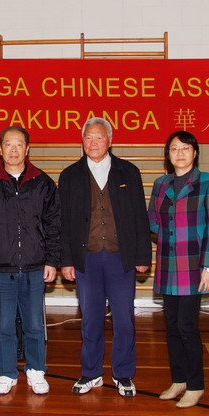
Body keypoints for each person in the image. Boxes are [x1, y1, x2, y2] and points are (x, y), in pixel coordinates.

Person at [59, 117, 152, 397]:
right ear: (82, 141)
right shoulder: (70, 175)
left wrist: (142, 255)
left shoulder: (129, 172)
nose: (93, 142)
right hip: (86, 259)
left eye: (99, 137)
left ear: (110, 141)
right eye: (88, 137)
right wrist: (66, 260)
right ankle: (91, 373)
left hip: (120, 258)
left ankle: (123, 374)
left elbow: (139, 216)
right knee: (91, 320)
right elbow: (63, 222)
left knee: (124, 320)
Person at [0, 126, 60, 395]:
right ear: (0, 149)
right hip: (0, 269)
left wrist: (52, 260)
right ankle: (7, 372)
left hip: (35, 268)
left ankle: (36, 370)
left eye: (19, 144)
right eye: (8, 144)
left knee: (34, 325)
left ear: (27, 149)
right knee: (5, 326)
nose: (13, 150)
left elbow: (54, 224)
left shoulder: (43, 183)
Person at [148, 131, 209, 408]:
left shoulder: (208, 181)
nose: (179, 153)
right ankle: (178, 379)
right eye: (174, 149)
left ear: (195, 152)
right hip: (169, 264)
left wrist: (208, 266)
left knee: (186, 326)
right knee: (171, 327)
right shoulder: (161, 183)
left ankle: (195, 385)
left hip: (194, 265)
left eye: (185, 148)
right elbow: (153, 221)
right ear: (167, 155)